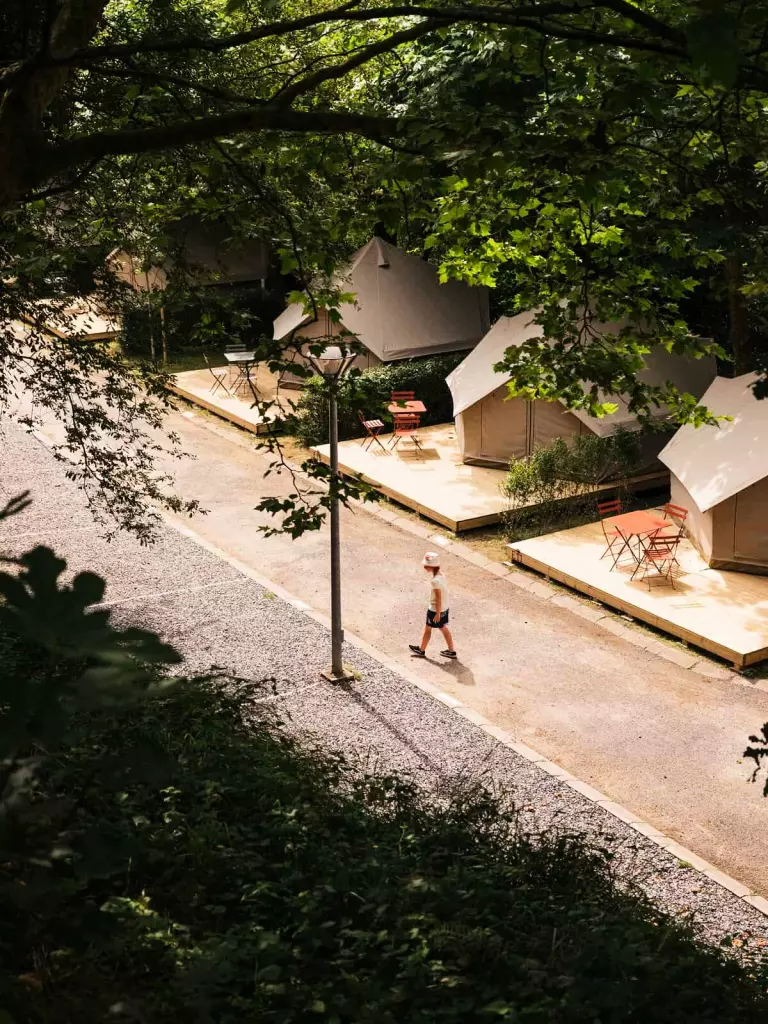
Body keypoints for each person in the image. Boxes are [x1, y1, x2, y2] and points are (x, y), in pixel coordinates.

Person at [409, 551, 457, 659]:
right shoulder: (442, 576)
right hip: (444, 608)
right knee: (443, 628)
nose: (425, 567)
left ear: (432, 566)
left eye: (427, 565)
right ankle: (451, 651)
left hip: (435, 610)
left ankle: (421, 650)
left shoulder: (435, 581)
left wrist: (438, 613)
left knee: (428, 629)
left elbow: (438, 598)